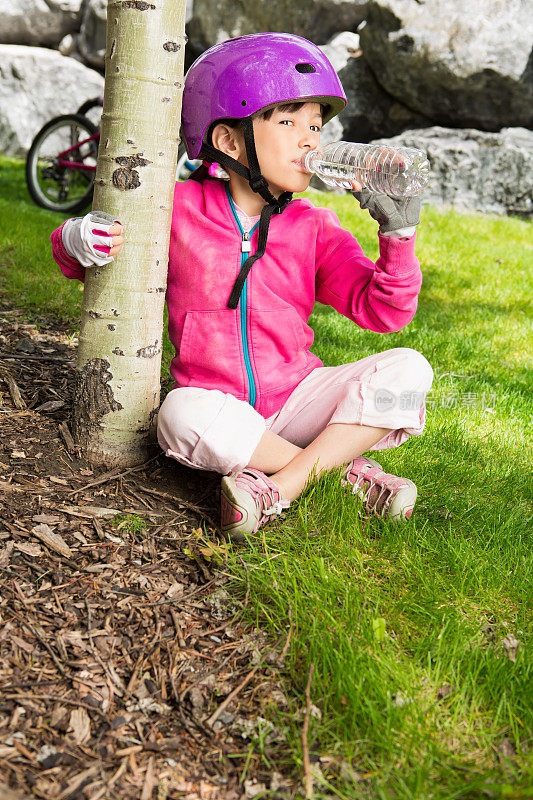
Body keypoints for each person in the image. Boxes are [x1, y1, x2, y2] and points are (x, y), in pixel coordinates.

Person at [51, 33, 433, 538]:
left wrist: (398, 236)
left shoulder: (315, 226)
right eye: (288, 121)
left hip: (300, 399)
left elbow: (384, 313)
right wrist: (76, 238)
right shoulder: (176, 208)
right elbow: (87, 256)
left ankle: (281, 486)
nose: (310, 140)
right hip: (220, 406)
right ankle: (343, 475)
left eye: (315, 125)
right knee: (178, 413)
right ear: (229, 141)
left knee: (410, 367)